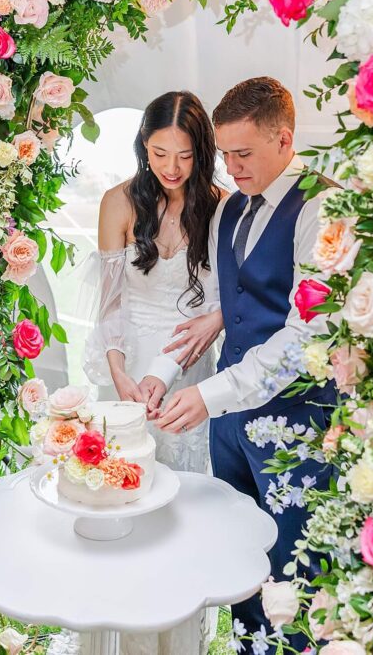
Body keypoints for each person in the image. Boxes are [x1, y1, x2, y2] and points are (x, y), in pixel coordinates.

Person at [140, 77, 337, 646]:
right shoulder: (229, 213)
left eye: (243, 153)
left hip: (299, 421)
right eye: (224, 153)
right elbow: (228, 302)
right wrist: (166, 368)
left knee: (296, 569)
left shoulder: (321, 208)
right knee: (240, 565)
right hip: (229, 430)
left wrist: (209, 395)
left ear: (285, 138)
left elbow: (306, 335)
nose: (230, 166)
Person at [86, 90, 225, 655]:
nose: (170, 167)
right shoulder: (117, 202)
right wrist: (119, 376)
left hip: (188, 362)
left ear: (203, 153)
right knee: (122, 496)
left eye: (185, 155)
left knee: (178, 503)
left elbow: (219, 299)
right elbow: (110, 304)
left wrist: (176, 364)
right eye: (159, 152)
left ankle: (172, 641)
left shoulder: (217, 204)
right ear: (144, 146)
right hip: (127, 362)